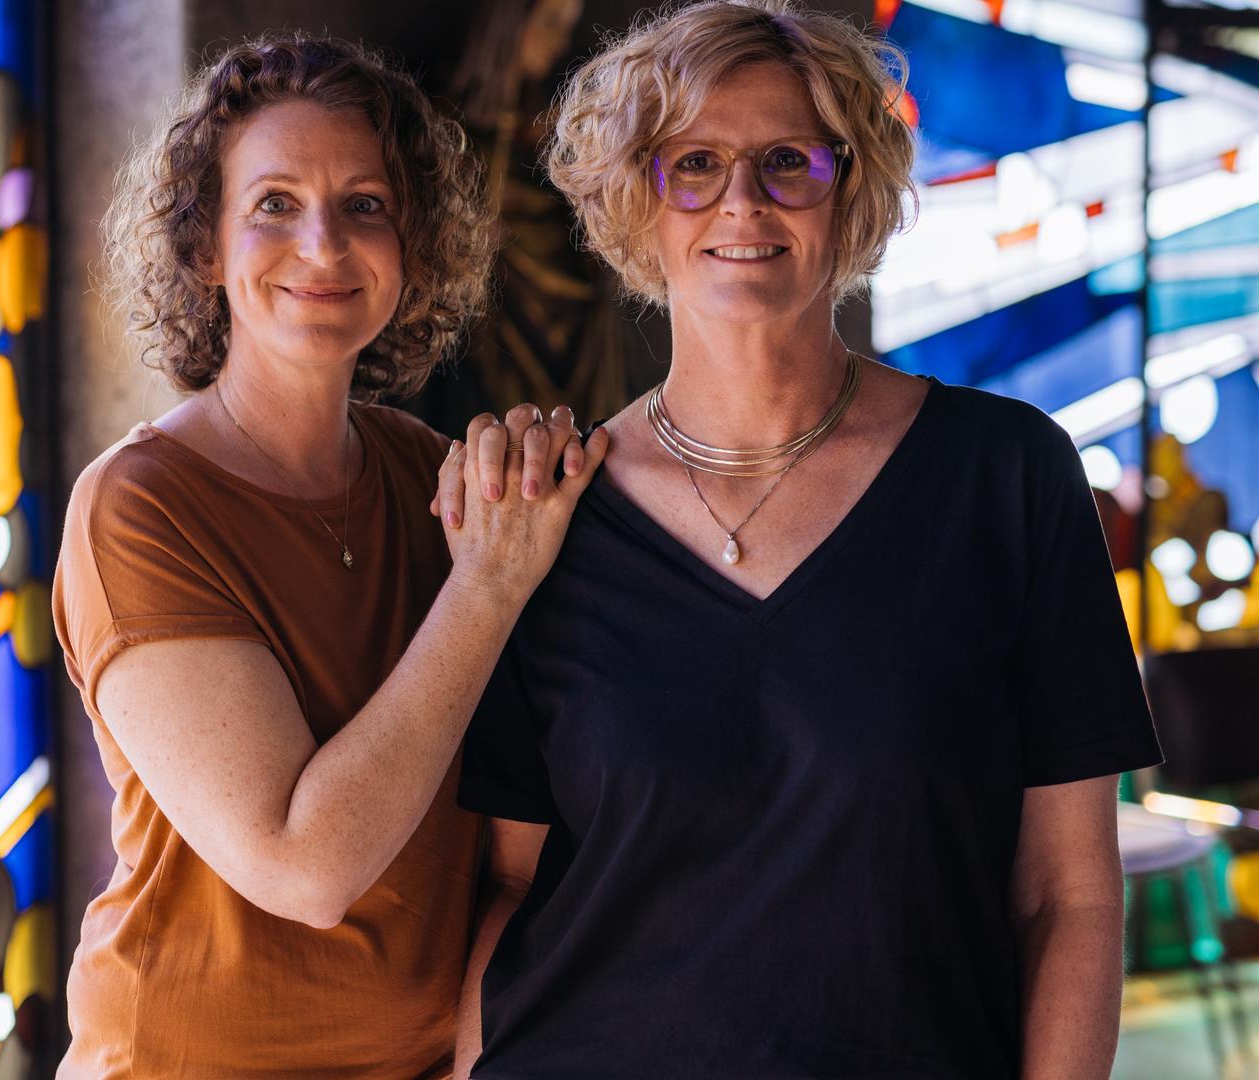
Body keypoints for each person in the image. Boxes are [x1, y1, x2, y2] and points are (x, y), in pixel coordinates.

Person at [449, 2, 1164, 1076]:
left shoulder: (1005, 477)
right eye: (693, 161)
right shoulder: (548, 510)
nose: (742, 198)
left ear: (856, 189)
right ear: (636, 199)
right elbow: (510, 885)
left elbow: (1068, 895)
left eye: (790, 160)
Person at [51, 34, 604, 1078]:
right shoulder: (140, 507)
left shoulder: (428, 478)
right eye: (272, 204)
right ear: (205, 247)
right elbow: (304, 866)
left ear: (414, 247)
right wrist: (487, 583)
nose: (324, 245)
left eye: (366, 206)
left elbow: (510, 834)